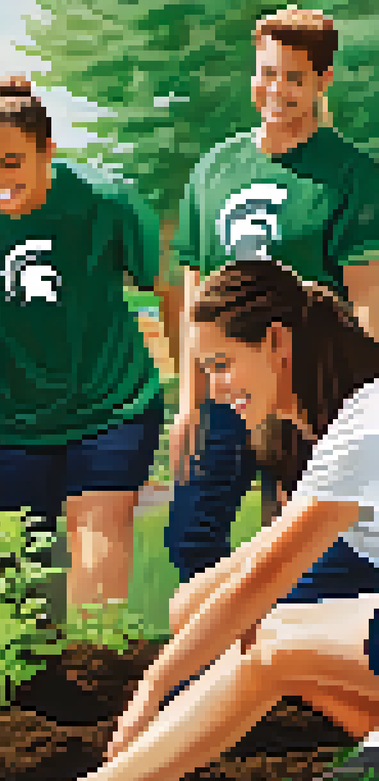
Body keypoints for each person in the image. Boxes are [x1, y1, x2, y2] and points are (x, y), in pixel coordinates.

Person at [57, 258, 379, 781]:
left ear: (278, 342)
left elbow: (262, 579)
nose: (216, 387)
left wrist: (153, 688)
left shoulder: (363, 426)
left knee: (269, 639)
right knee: (199, 607)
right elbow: (260, 557)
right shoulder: (338, 425)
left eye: (223, 363)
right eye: (206, 370)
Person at [165, 6, 379, 583]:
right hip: (226, 388)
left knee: (295, 549)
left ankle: (276, 664)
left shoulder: (351, 177)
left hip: (306, 392)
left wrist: (349, 414)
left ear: (322, 81)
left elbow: (366, 305)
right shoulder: (214, 170)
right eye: (267, 73)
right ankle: (211, 666)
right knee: (190, 536)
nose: (276, 89)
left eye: (294, 77)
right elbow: (195, 294)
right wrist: (189, 401)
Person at [0, 77, 170, 621]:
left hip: (111, 408)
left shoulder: (106, 202)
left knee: (95, 571)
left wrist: (191, 388)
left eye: (11, 162)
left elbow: (169, 286)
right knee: (23, 602)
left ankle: (102, 692)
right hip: (16, 424)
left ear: (47, 150)